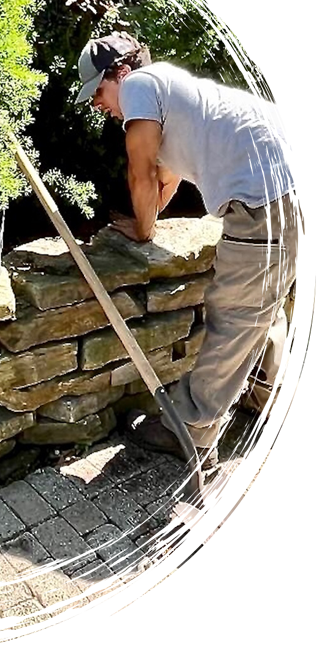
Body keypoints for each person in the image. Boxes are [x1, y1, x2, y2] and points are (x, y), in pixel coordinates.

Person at [75, 31, 316, 470]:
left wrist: (143, 233)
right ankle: (277, 404)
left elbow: (142, 176)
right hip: (302, 182)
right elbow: (166, 178)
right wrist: (146, 223)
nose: (98, 104)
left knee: (235, 312)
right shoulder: (171, 89)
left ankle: (192, 428)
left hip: (273, 196)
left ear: (122, 73)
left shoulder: (141, 87)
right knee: (262, 303)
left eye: (98, 91)